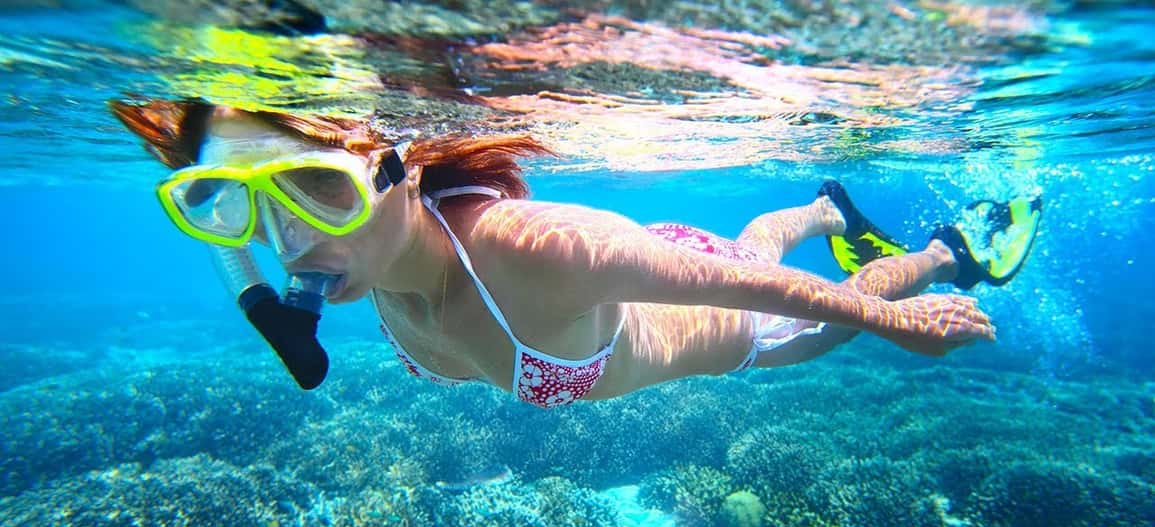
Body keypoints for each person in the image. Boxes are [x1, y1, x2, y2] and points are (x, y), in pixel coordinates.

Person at [110, 98, 1042, 408]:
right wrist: (250, 285)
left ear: (398, 170)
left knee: (802, 304)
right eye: (237, 203)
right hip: (651, 274)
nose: (289, 240)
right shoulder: (351, 255)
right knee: (748, 244)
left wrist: (889, 319)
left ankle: (942, 252)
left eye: (319, 186)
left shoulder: (524, 250)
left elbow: (734, 283)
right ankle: (821, 207)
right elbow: (240, 244)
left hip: (720, 319)